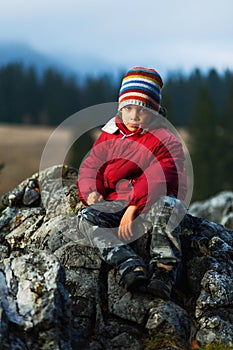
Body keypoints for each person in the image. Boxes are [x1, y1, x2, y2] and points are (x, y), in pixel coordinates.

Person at [76, 66, 187, 299]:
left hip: (151, 204)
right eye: (128, 108)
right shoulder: (110, 133)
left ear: (155, 112)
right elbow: (91, 165)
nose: (134, 116)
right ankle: (129, 264)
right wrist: (91, 191)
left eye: (142, 110)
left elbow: (162, 175)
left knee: (169, 206)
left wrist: (134, 207)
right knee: (86, 218)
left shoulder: (164, 139)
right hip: (117, 203)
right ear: (120, 109)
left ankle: (163, 274)